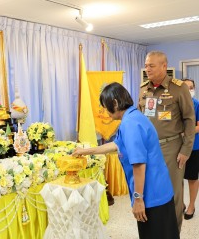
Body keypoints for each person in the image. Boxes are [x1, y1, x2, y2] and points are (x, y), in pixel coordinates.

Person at [73, 82, 179, 239]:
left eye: (105, 106)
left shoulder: (129, 124)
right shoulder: (133, 116)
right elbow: (117, 144)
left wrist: (138, 199)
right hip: (160, 189)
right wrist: (86, 151)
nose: (105, 111)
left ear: (115, 103)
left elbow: (139, 164)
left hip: (151, 195)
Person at [138, 51, 195, 231]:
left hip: (171, 148)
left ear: (164, 66)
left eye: (151, 66)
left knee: (173, 194)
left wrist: (186, 150)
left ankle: (173, 232)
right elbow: (139, 118)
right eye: (146, 65)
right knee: (150, 189)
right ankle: (155, 229)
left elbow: (189, 119)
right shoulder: (144, 88)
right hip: (148, 148)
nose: (147, 69)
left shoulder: (179, 88)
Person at [182, 79, 199, 220]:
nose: (189, 90)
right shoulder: (175, 104)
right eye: (186, 87)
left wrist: (185, 131)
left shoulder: (197, 104)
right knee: (177, 178)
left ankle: (191, 205)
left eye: (191, 87)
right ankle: (180, 204)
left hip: (194, 146)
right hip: (177, 147)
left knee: (192, 178)